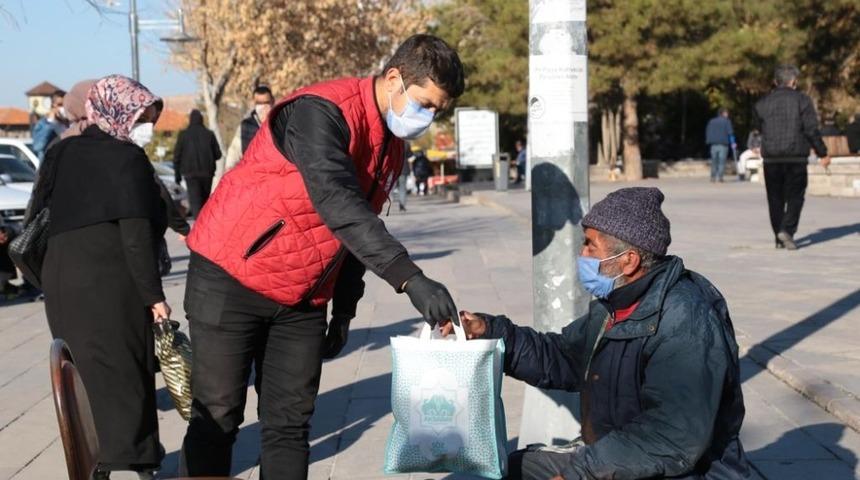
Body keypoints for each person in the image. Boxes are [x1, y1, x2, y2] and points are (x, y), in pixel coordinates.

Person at [179, 34, 464, 479]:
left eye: (438, 110)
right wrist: (409, 278)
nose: (427, 117)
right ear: (394, 78)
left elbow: (355, 229)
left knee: (290, 427)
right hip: (230, 277)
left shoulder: (390, 145)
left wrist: (344, 311)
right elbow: (337, 202)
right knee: (218, 418)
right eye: (425, 103)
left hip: (301, 298)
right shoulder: (318, 112)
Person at [442, 187, 749, 480]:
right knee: (505, 470)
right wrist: (491, 333)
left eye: (590, 245)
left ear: (628, 261)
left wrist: (582, 471)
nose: (582, 253)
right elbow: (563, 356)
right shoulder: (613, 305)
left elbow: (671, 436)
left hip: (678, 470)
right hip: (615, 459)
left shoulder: (687, 322)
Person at [32, 75, 169, 479]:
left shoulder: (63, 151)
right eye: (144, 116)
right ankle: (139, 461)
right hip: (109, 282)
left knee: (82, 375)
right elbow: (135, 237)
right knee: (128, 370)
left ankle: (91, 462)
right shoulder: (127, 160)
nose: (149, 126)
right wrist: (154, 297)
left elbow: (39, 211)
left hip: (60, 278)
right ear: (121, 111)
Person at [754, 65, 829, 250]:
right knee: (796, 196)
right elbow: (811, 129)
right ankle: (787, 230)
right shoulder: (803, 100)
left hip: (771, 158)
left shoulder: (762, 102)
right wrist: (823, 153)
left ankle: (779, 238)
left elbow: (757, 129)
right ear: (794, 81)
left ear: (775, 82)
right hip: (796, 157)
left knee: (775, 198)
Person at [173, 109, 222, 217]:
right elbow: (218, 154)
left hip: (190, 175)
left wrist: (177, 175)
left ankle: (198, 225)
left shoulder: (184, 135)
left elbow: (177, 156)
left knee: (195, 202)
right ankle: (203, 224)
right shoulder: (209, 135)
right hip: (207, 174)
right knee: (205, 202)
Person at [31, 90, 68, 160]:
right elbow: (37, 146)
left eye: (65, 105)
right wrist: (50, 123)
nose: (63, 108)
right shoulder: (42, 124)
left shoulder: (70, 124)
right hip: (49, 168)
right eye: (60, 105)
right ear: (53, 105)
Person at [705, 108, 736, 183]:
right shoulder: (726, 122)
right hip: (723, 144)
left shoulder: (711, 121)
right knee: (721, 161)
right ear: (723, 113)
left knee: (714, 160)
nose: (727, 115)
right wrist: (733, 142)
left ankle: (713, 177)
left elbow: (708, 131)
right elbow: (730, 133)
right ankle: (720, 177)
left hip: (713, 144)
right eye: (726, 113)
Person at [398, 143, 413, 212]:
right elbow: (411, 156)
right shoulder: (406, 144)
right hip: (404, 168)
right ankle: (402, 204)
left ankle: (390, 199)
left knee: (391, 186)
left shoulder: (393, 142)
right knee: (402, 187)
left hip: (394, 168)